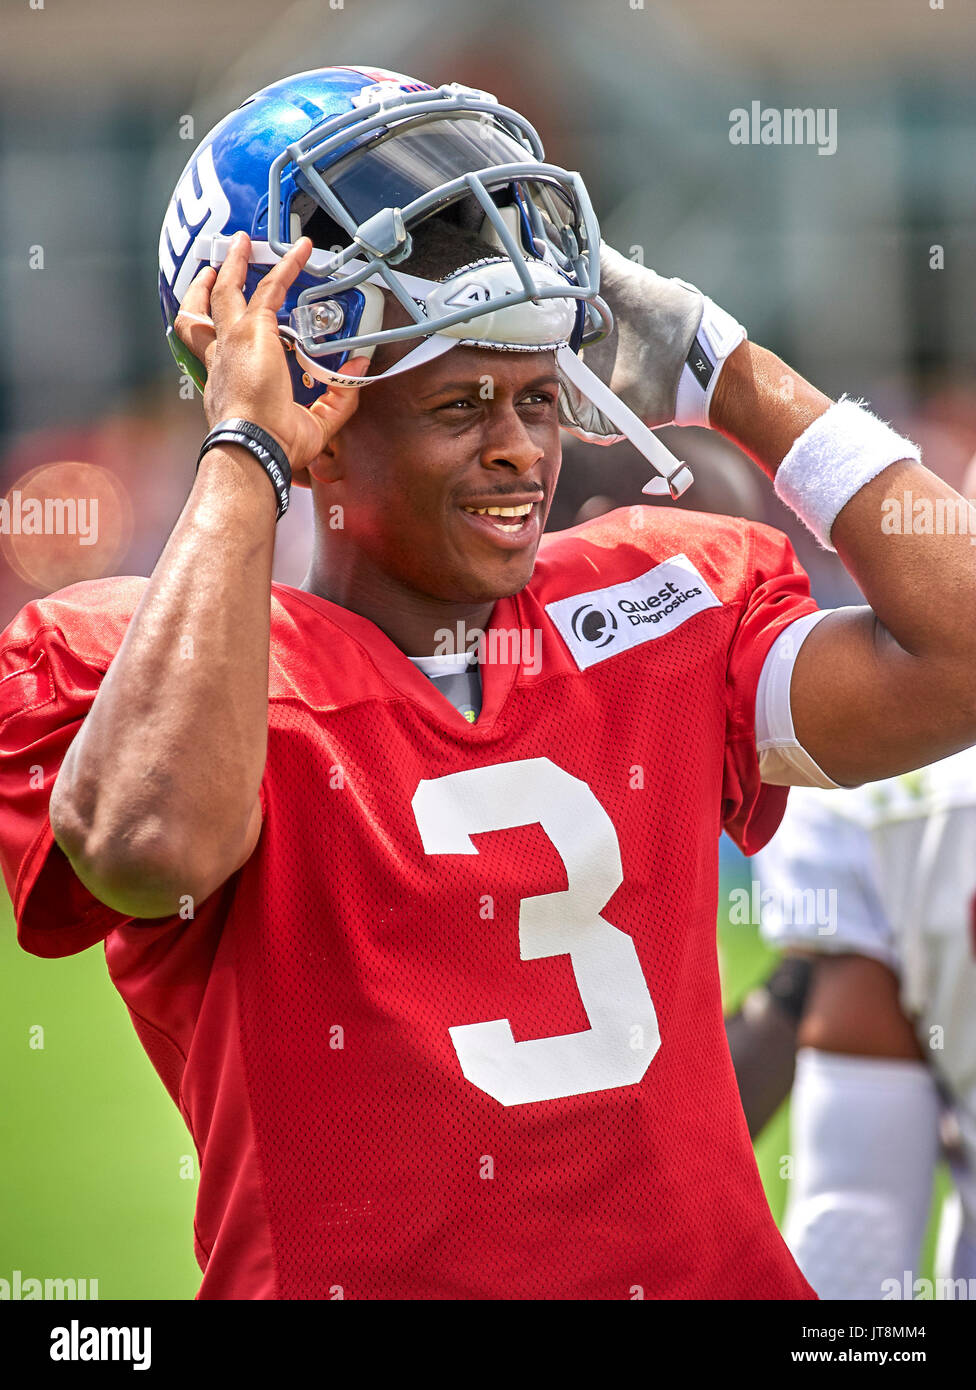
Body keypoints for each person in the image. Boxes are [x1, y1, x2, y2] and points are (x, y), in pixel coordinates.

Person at [3, 65, 976, 1301]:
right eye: (462, 402)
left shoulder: (657, 602)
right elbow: (149, 846)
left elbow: (960, 652)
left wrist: (724, 368)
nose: (520, 446)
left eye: (536, 395)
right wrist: (243, 447)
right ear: (323, 414)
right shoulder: (151, 669)